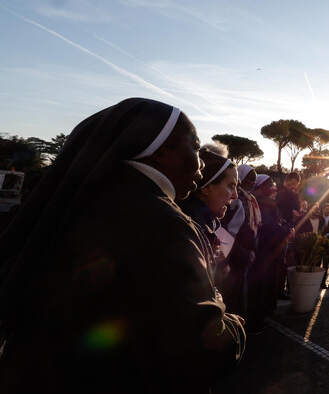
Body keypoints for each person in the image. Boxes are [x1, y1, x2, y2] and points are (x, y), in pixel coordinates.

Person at [0, 98, 245, 393]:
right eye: (194, 146)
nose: (202, 162)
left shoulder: (89, 200)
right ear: (158, 152)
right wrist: (234, 324)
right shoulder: (160, 221)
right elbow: (196, 354)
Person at [177, 149, 239, 289]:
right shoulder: (188, 228)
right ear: (206, 188)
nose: (235, 195)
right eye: (231, 186)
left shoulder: (210, 224)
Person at [249, 174, 293, 329]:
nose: (274, 187)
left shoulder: (264, 201)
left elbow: (277, 221)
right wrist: (287, 231)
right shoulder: (260, 202)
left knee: (267, 284)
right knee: (261, 286)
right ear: (262, 187)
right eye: (270, 185)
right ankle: (256, 319)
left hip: (269, 250)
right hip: (264, 250)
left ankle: (263, 313)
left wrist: (286, 228)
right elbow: (268, 226)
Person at [219, 165, 261, 318]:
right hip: (231, 258)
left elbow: (246, 228)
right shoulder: (234, 201)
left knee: (238, 298)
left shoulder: (248, 198)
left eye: (255, 180)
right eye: (251, 179)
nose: (253, 182)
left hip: (241, 255)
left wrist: (252, 248)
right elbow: (221, 231)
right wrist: (243, 253)